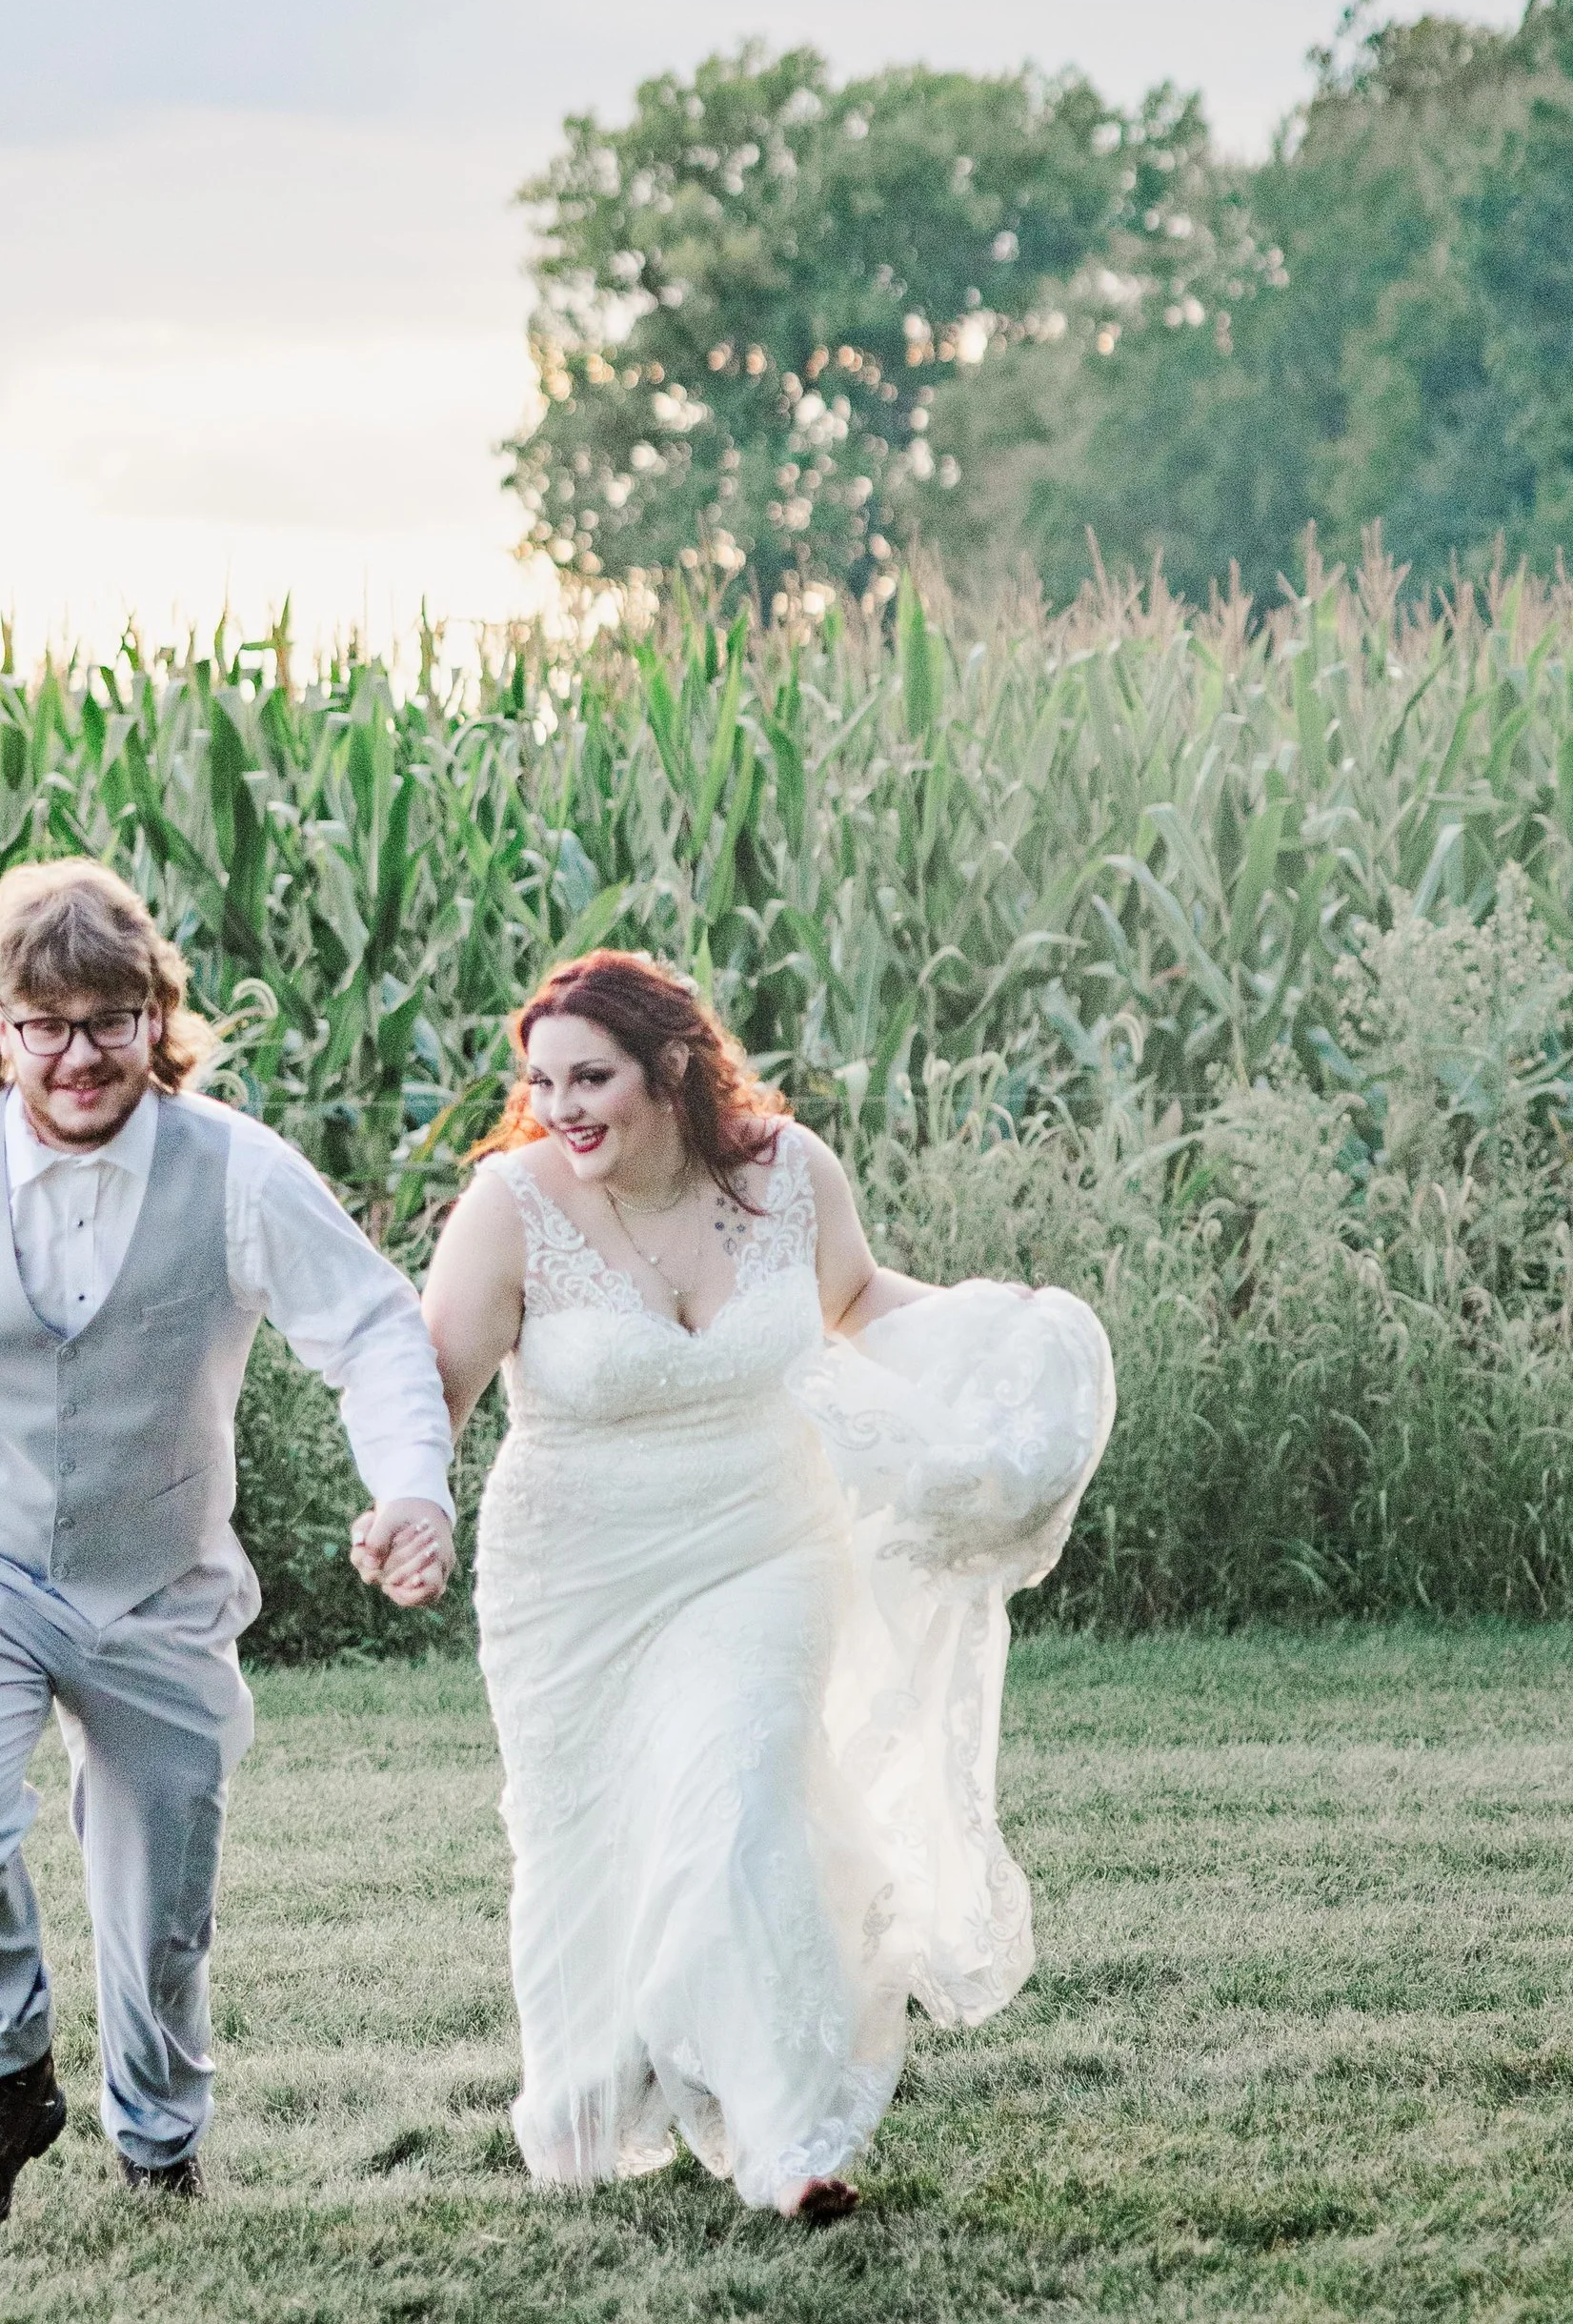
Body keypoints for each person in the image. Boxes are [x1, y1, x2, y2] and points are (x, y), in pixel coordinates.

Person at [0, 858, 456, 2233]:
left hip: (159, 1583)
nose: (75, 1057)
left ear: (156, 1015)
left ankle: (158, 2135)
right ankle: (1, 2075)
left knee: (163, 1892)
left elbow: (369, 1329)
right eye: (41, 1023)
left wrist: (412, 1488)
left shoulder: (232, 1167)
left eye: (109, 1019)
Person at [421, 949, 1113, 2224]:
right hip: (573, 1582)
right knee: (580, 1843)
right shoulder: (510, 1208)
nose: (561, 1107)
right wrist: (405, 1506)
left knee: (738, 1810)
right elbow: (438, 1390)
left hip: (763, 1549)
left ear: (672, 1067)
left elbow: (854, 1302)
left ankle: (785, 2143)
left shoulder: (788, 1176)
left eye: (592, 1078)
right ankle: (587, 2107)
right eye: (543, 1082)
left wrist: (1000, 1344)